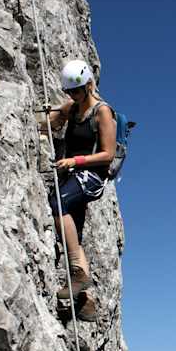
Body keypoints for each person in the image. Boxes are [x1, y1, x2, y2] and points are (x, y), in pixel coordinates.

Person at [41, 60, 117, 312]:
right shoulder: (73, 109)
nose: (72, 96)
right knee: (73, 233)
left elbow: (108, 153)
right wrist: (48, 114)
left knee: (58, 204)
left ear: (88, 86)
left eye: (75, 91)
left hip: (92, 177)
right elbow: (53, 121)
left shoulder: (102, 111)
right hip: (74, 176)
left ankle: (78, 274)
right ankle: (85, 302)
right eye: (68, 92)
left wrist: (76, 160)